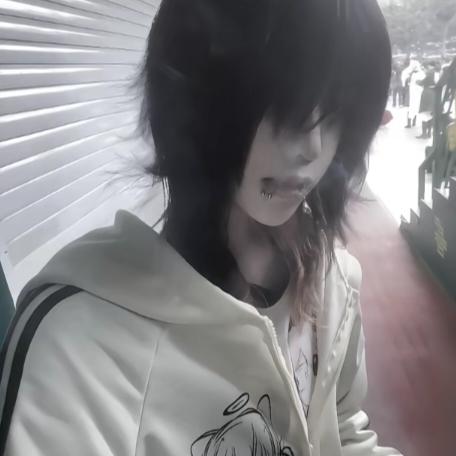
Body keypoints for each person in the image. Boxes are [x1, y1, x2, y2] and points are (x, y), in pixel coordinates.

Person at [0, 0, 403, 455]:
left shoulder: (334, 282)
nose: (311, 147)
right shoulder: (81, 349)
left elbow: (343, 433)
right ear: (197, 98)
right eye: (284, 104)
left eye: (335, 111)